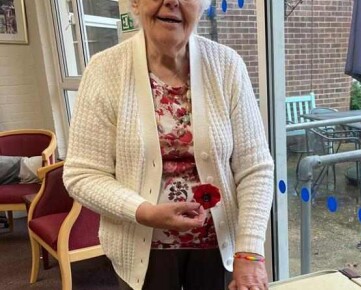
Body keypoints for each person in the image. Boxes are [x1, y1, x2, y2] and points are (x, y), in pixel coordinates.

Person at [63, 0, 274, 289]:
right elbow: (82, 175)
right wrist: (144, 211)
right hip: (141, 252)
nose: (171, 2)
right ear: (135, 3)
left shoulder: (227, 66)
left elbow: (255, 167)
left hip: (219, 250)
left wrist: (249, 250)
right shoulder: (104, 71)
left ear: (203, 6)